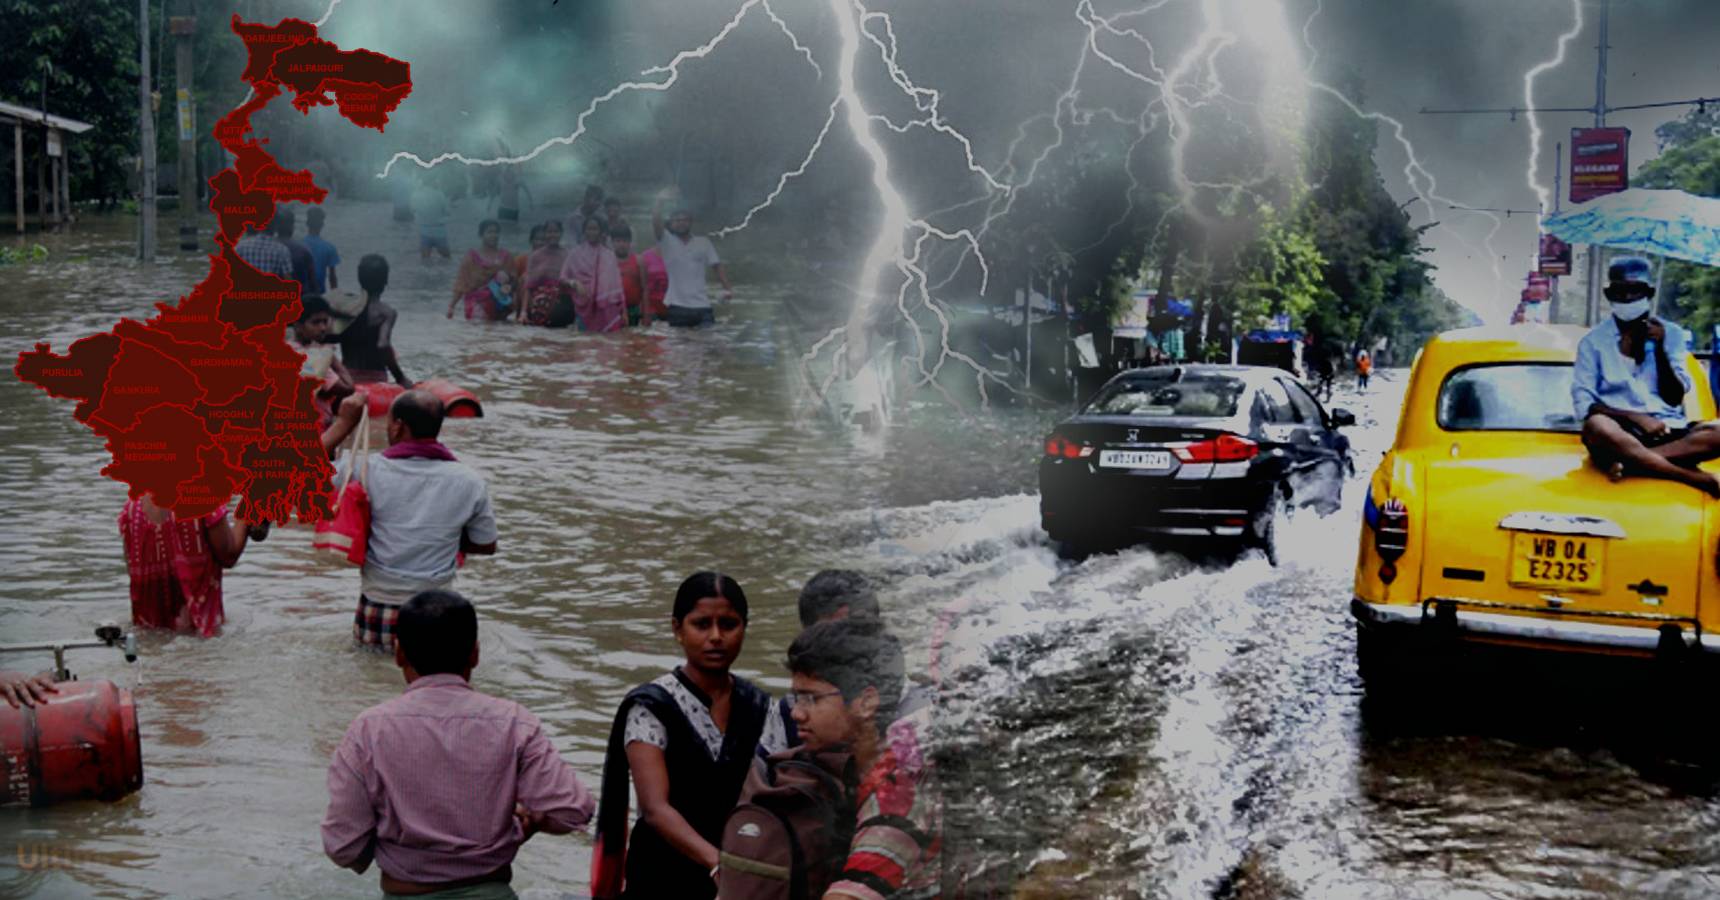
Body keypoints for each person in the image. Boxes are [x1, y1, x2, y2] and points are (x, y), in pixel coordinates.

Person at [323, 590, 595, 899]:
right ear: (475, 654)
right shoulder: (513, 722)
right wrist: (527, 824)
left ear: (399, 653)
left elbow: (342, 846)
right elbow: (574, 810)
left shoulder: (369, 730)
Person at [591, 572, 792, 899]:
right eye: (702, 624)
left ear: (744, 628)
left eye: (728, 624)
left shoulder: (760, 707)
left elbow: (774, 797)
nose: (716, 636)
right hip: (660, 878)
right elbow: (655, 808)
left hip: (738, 875)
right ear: (677, 629)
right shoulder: (651, 707)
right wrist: (716, 862)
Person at [785, 619, 940, 900]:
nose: (796, 713)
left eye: (812, 699)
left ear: (867, 702)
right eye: (796, 697)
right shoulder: (854, 764)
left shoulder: (898, 794)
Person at [346, 390, 498, 650]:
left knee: (372, 684)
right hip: (438, 612)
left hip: (379, 606)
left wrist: (342, 423)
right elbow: (486, 545)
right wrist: (447, 538)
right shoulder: (468, 480)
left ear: (398, 426)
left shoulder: (366, 470)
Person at [1576, 256, 1720, 494]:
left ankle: (1632, 464)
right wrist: (1636, 418)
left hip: (1669, 433)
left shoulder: (1671, 334)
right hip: (1618, 435)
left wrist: (1661, 348)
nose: (1627, 298)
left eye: (1635, 291)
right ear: (1609, 295)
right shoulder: (1592, 343)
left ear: (1648, 293)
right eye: (1620, 292)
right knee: (1596, 425)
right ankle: (1690, 477)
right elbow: (1585, 405)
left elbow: (1674, 397)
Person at [120, 493, 262, 637]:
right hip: (201, 640)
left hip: (148, 639)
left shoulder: (131, 507)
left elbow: (131, 571)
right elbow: (229, 556)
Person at [651, 193, 733, 328]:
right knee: (680, 347)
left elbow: (717, 266)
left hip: (702, 307)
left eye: (684, 219)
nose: (681, 223)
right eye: (677, 220)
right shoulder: (666, 241)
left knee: (707, 343)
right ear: (671, 224)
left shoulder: (704, 242)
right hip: (677, 307)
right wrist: (659, 201)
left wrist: (727, 288)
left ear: (690, 222)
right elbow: (656, 222)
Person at [339, 255, 413, 387]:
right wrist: (400, 378)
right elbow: (383, 345)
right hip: (375, 379)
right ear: (385, 280)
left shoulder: (346, 308)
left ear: (359, 279)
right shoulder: (386, 312)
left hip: (347, 378)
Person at [288, 294, 354, 429]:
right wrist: (332, 358)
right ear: (298, 325)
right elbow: (348, 387)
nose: (323, 328)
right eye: (316, 322)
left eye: (325, 321)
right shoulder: (315, 357)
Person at [561, 216, 626, 333]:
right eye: (589, 229)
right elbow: (562, 279)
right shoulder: (574, 254)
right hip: (583, 308)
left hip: (607, 311)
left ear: (601, 232)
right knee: (584, 346)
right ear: (584, 231)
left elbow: (618, 289)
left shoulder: (609, 255)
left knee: (607, 347)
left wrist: (624, 312)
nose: (592, 232)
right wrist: (574, 283)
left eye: (595, 229)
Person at [449, 220, 517, 321]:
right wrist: (451, 306)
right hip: (477, 303)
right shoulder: (472, 257)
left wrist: (508, 287)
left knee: (498, 332)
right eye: (490, 232)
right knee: (479, 332)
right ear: (481, 235)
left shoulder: (506, 256)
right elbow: (462, 283)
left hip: (500, 302)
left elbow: (515, 280)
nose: (494, 235)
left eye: (496, 232)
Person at [521, 220, 575, 327]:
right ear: (545, 234)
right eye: (549, 232)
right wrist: (523, 312)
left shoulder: (568, 255)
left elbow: (573, 286)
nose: (552, 235)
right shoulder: (535, 256)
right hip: (539, 306)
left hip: (563, 305)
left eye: (556, 232)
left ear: (561, 233)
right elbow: (528, 286)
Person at [612, 224, 652, 328]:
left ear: (630, 242)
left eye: (625, 241)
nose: (621, 244)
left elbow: (645, 289)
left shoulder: (639, 261)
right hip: (613, 310)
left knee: (633, 342)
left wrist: (646, 313)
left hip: (633, 310)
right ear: (612, 242)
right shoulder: (607, 262)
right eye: (618, 241)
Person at [273, 207, 318, 297]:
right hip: (300, 300)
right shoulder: (303, 249)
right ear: (292, 226)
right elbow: (313, 282)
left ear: (276, 227)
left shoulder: (266, 248)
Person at [303, 206, 341, 294]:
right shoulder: (329, 247)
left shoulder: (299, 245)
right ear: (322, 224)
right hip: (319, 295)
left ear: (307, 223)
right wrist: (335, 297)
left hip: (301, 293)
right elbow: (332, 278)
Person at [414, 177, 453, 262]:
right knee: (447, 259)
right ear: (434, 182)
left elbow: (413, 210)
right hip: (439, 229)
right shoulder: (439, 194)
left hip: (424, 229)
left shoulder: (417, 195)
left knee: (425, 260)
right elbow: (447, 211)